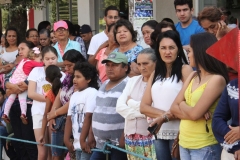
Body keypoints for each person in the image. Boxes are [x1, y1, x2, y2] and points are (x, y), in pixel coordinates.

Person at [170, 32, 229, 160]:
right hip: (184, 142)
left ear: (200, 52)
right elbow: (173, 108)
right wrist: (192, 111)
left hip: (205, 145)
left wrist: (182, 104)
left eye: (190, 51)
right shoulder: (193, 75)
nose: (188, 55)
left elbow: (193, 114)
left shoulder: (216, 79)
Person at [140, 30, 192, 160]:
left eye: (171, 48)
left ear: (178, 49)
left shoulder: (185, 70)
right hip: (159, 132)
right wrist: (166, 116)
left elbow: (190, 104)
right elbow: (144, 107)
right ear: (158, 50)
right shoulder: (155, 73)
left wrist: (164, 117)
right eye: (163, 48)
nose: (167, 52)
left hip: (180, 132)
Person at [116, 48, 157, 160]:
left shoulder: (159, 82)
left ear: (156, 63)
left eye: (145, 63)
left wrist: (130, 102)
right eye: (139, 64)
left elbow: (155, 110)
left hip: (151, 137)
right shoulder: (132, 80)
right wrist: (142, 112)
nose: (142, 67)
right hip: (130, 137)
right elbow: (119, 106)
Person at [47, 50, 86, 160]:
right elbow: (59, 96)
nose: (67, 69)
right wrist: (52, 116)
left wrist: (54, 113)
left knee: (71, 155)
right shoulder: (67, 78)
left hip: (75, 121)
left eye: (70, 65)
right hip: (60, 119)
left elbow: (72, 102)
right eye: (65, 65)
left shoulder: (82, 78)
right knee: (56, 155)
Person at [28, 46, 65, 160]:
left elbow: (62, 98)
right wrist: (50, 99)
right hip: (39, 113)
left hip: (55, 114)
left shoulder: (63, 75)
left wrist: (52, 102)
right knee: (42, 152)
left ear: (57, 58)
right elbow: (31, 93)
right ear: (42, 59)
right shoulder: (36, 71)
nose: (50, 61)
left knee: (53, 152)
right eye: (47, 58)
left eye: (53, 58)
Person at [90, 52, 129, 160]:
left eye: (114, 65)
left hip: (118, 144)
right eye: (108, 65)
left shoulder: (129, 84)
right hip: (100, 143)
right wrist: (91, 134)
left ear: (125, 67)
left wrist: (124, 137)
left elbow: (131, 114)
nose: (110, 68)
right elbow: (96, 110)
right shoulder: (104, 83)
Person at [5, 40, 37, 159]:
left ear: (31, 50)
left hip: (28, 106)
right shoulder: (18, 65)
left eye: (22, 49)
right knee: (19, 142)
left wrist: (12, 88)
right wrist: (12, 87)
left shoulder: (35, 65)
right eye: (18, 50)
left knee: (29, 142)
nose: (20, 51)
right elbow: (6, 82)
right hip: (14, 107)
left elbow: (26, 85)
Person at [64, 62, 98, 160]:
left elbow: (89, 116)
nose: (74, 79)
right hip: (77, 142)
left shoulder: (92, 92)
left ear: (88, 79)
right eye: (74, 76)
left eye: (78, 77)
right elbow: (69, 118)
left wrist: (83, 140)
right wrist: (66, 139)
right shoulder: (74, 95)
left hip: (86, 142)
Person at [2, 47, 43, 124]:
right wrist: (43, 63)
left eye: (22, 49)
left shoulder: (23, 61)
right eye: (40, 59)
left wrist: (10, 86)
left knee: (10, 99)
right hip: (21, 82)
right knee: (22, 99)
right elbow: (40, 65)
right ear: (34, 57)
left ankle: (5, 113)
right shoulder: (31, 62)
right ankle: (23, 114)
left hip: (13, 81)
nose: (20, 52)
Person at [197, 6, 237, 80]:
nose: (210, 32)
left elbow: (233, 66)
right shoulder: (208, 39)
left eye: (212, 26)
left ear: (222, 19)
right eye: (206, 29)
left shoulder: (236, 35)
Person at [38, 65, 62, 160]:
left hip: (55, 124)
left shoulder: (50, 93)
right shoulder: (65, 89)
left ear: (47, 79)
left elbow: (45, 115)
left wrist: (42, 134)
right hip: (68, 124)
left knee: (55, 155)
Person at [0, 88, 17, 160]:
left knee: (0, 131)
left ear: (4, 96)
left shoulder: (8, 104)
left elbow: (8, 124)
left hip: (12, 130)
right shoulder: (1, 105)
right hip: (5, 129)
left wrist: (0, 123)